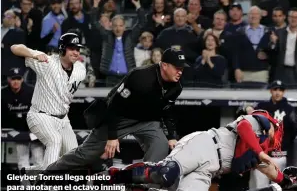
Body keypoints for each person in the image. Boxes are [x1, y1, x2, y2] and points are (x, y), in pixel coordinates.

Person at [108, 110, 285, 191]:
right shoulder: (259, 121)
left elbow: (271, 171)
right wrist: (261, 152)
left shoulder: (258, 152)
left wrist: (287, 183)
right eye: (275, 131)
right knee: (165, 174)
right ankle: (113, 176)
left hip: (210, 169)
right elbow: (243, 128)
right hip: (205, 145)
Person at [42, 48, 188, 173]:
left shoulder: (176, 86)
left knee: (160, 146)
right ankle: (47, 173)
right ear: (164, 65)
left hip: (147, 121)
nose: (180, 72)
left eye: (182, 68)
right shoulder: (140, 77)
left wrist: (171, 136)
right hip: (119, 117)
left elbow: (167, 111)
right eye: (177, 68)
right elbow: (114, 105)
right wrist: (113, 137)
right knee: (85, 154)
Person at [10, 31, 87, 170]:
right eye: (72, 48)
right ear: (62, 48)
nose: (76, 52)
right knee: (54, 140)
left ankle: (32, 172)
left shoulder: (81, 69)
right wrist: (33, 54)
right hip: (40, 115)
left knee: (74, 157)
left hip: (63, 120)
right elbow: (15, 48)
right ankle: (47, 187)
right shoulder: (47, 62)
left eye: (78, 49)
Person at [250, 80, 297, 191]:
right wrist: (248, 108)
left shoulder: (289, 109)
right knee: (260, 189)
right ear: (271, 91)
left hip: (280, 156)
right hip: (262, 155)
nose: (277, 92)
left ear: (284, 92)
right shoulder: (261, 107)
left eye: (280, 90)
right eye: (275, 89)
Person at [1, 67, 44, 170]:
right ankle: (25, 186)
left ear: (22, 79)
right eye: (13, 79)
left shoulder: (31, 91)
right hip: (18, 129)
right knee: (22, 159)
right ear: (8, 79)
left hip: (34, 128)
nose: (16, 82)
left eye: (18, 79)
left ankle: (40, 185)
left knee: (39, 159)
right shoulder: (3, 93)